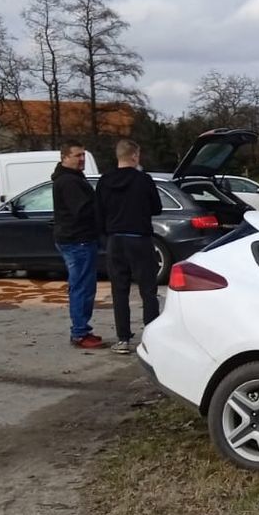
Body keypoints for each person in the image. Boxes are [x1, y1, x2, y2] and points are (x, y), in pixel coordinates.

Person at [96, 138, 162, 354]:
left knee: (119, 291)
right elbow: (157, 207)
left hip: (116, 240)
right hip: (140, 238)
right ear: (134, 155)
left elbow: (99, 211)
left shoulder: (104, 181)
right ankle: (151, 339)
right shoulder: (144, 180)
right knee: (148, 290)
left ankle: (123, 339)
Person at [52, 141, 103, 349]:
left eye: (83, 155)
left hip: (75, 239)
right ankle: (80, 333)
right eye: (77, 155)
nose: (81, 159)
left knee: (80, 285)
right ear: (65, 157)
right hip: (78, 240)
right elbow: (83, 210)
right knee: (82, 287)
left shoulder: (71, 179)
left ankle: (82, 330)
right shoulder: (69, 182)